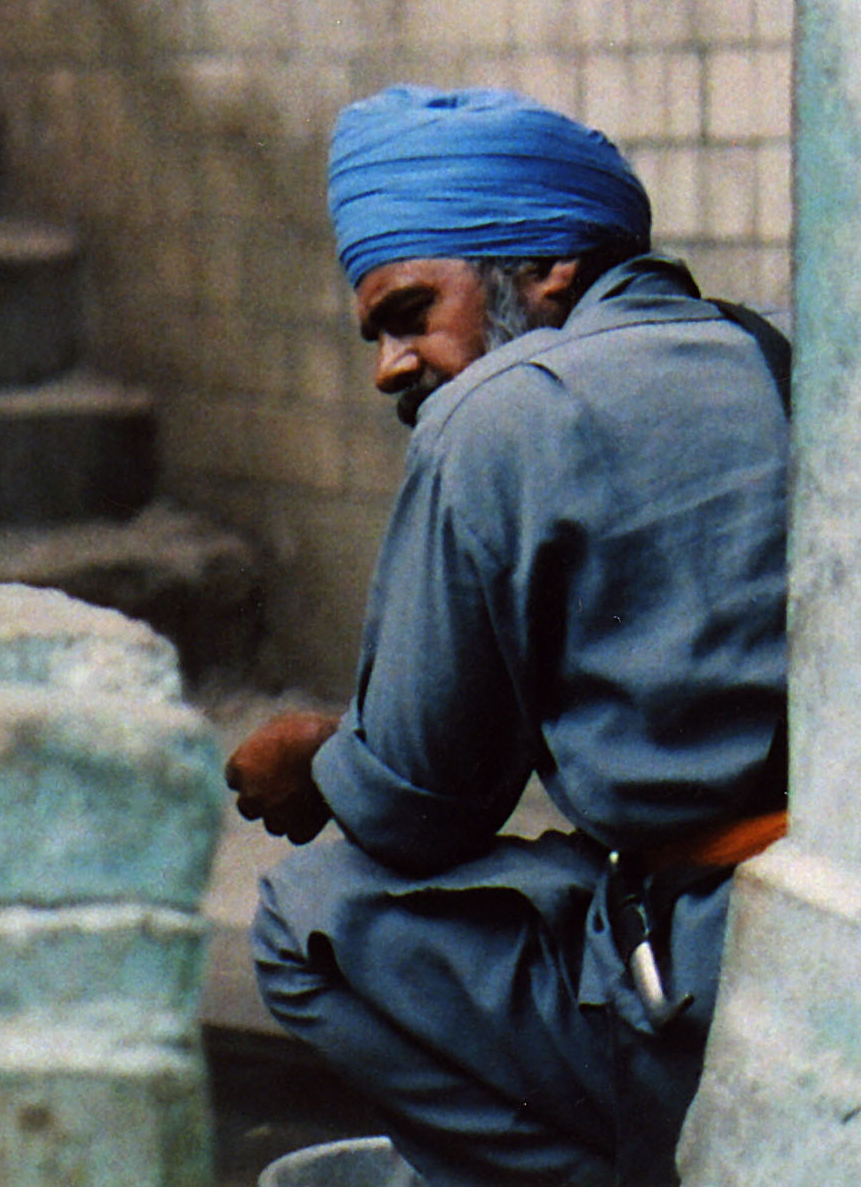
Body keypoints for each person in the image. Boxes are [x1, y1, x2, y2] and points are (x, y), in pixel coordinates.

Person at [228, 86, 789, 1187]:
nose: (391, 364)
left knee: (308, 919)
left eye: (407, 310)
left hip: (710, 982)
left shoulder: (492, 416)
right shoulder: (769, 353)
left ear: (545, 270)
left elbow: (418, 808)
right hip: (850, 923)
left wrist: (316, 759)